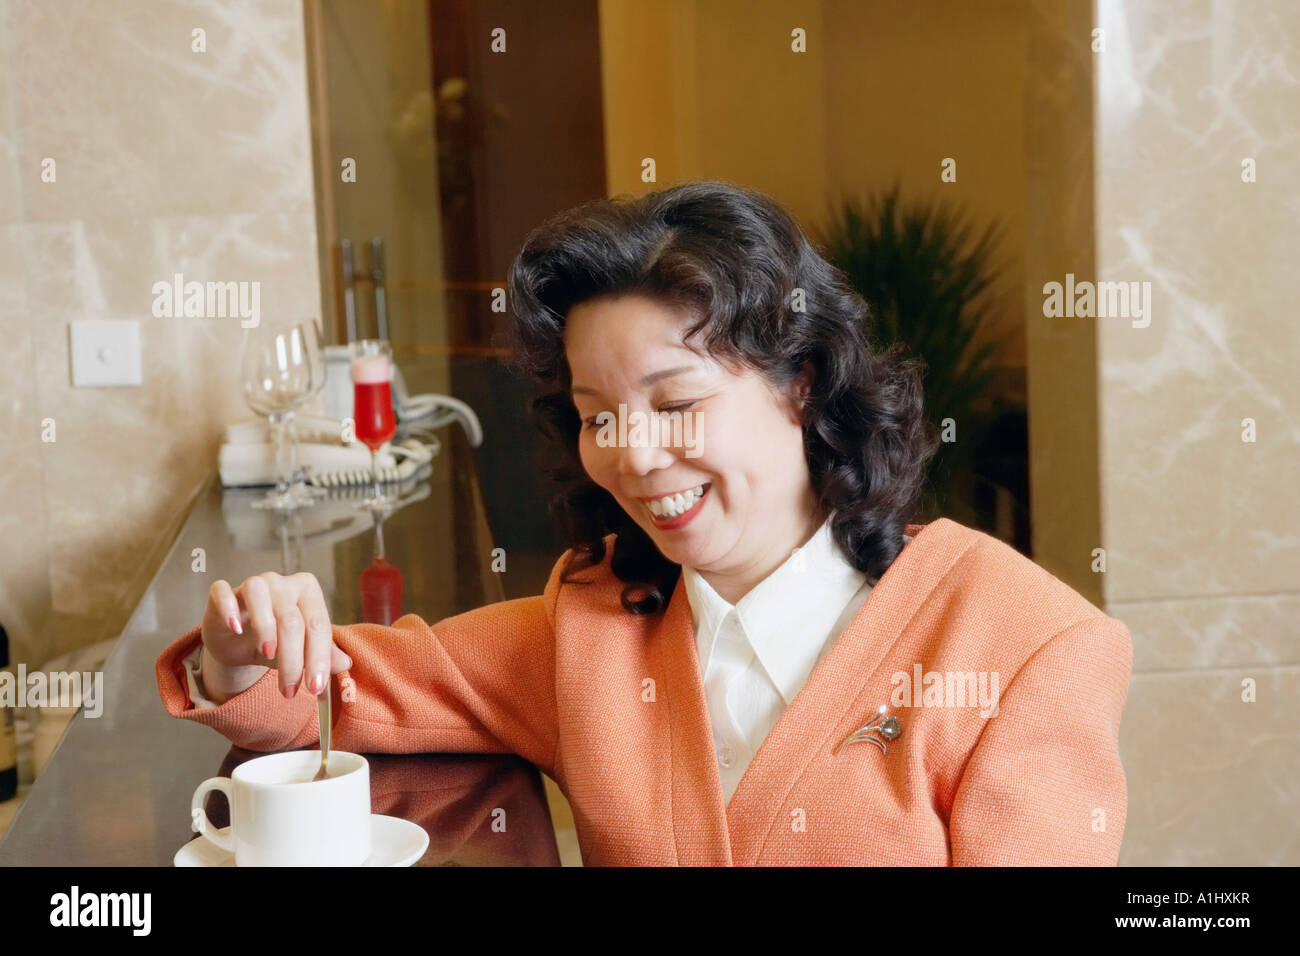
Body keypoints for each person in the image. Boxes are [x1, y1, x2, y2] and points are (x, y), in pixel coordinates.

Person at [156, 180, 1133, 865]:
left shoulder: (1026, 648)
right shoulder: (593, 623)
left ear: (801, 382)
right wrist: (248, 653)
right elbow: (348, 689)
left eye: (674, 403)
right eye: (595, 412)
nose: (630, 450)